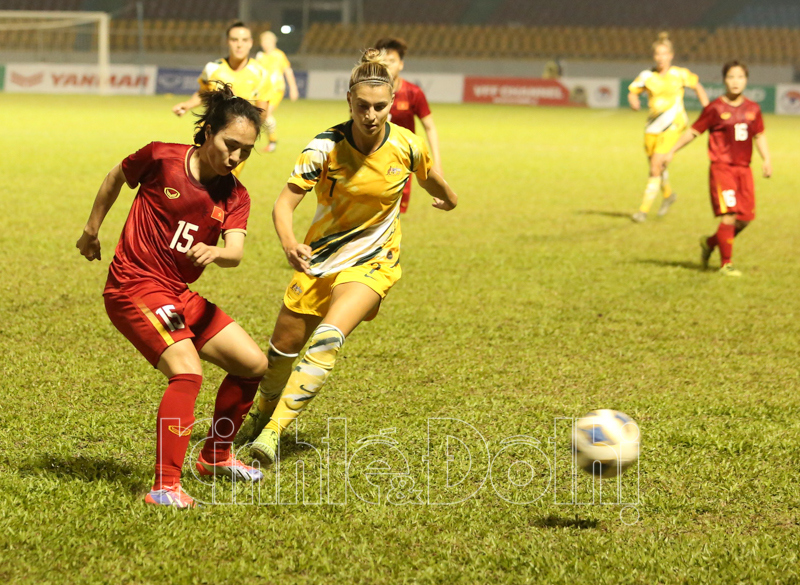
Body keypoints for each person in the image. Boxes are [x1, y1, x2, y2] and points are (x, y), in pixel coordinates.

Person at [236, 49, 458, 464]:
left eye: (379, 106)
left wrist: (449, 198)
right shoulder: (324, 148)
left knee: (327, 340)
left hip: (374, 262)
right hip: (319, 260)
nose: (371, 115)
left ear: (391, 104)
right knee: (280, 355)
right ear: (349, 102)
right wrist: (288, 243)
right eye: (362, 106)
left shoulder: (407, 145)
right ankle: (263, 410)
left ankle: (272, 433)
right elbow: (283, 205)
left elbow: (431, 180)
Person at [77, 84, 268, 508]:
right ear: (208, 133)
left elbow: (235, 251)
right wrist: (91, 231)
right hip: (133, 284)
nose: (235, 157)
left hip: (177, 293)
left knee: (253, 364)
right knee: (188, 370)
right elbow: (115, 178)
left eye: (246, 151)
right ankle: (165, 487)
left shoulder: (235, 195)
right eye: (229, 145)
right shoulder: (162, 158)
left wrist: (218, 251)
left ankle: (215, 456)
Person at [664, 61, 772, 277]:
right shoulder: (714, 108)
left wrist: (766, 159)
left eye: (740, 77)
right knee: (729, 215)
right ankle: (726, 263)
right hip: (722, 168)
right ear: (724, 80)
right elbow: (693, 131)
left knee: (745, 219)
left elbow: (759, 135)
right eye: (731, 77)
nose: (735, 82)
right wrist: (672, 150)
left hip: (744, 169)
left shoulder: (753, 108)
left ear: (746, 80)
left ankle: (709, 242)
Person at [628, 32, 708, 223]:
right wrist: (633, 101)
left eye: (664, 54)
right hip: (652, 127)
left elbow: (697, 86)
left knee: (656, 166)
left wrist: (708, 109)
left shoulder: (679, 74)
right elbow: (633, 91)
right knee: (656, 167)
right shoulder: (647, 76)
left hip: (674, 125)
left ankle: (643, 211)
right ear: (653, 56)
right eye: (657, 54)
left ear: (671, 55)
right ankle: (668, 195)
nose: (661, 58)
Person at [172, 22, 269, 178]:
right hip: (210, 135)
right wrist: (187, 105)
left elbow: (262, 111)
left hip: (236, 141)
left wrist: (249, 136)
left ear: (251, 43)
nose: (239, 45)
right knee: (197, 178)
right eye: (234, 40)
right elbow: (203, 92)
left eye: (244, 40)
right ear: (227, 42)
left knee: (221, 182)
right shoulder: (212, 68)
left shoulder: (260, 73)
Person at [374, 37, 443, 213]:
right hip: (372, 159)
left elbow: (430, 127)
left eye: (392, 61)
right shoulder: (368, 92)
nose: (388, 65)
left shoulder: (413, 93)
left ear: (401, 64)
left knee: (393, 213)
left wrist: (437, 164)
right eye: (383, 61)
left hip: (401, 161)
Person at [255, 30, 300, 153]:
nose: (265, 44)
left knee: (266, 114)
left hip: (276, 90)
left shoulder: (279, 55)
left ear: (273, 42)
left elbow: (288, 71)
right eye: (263, 41)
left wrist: (293, 88)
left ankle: (272, 143)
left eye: (268, 41)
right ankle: (272, 141)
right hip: (263, 91)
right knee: (263, 116)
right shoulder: (260, 57)